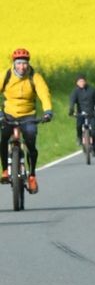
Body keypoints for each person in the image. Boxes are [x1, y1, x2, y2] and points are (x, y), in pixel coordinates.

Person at [1, 48, 54, 193]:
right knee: (3, 138)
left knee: (30, 140)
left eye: (24, 63)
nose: (22, 67)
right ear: (14, 64)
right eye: (19, 63)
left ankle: (32, 175)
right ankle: (5, 170)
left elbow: (44, 93)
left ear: (28, 64)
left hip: (28, 114)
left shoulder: (34, 77)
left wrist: (48, 111)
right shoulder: (6, 75)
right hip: (8, 113)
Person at [68, 74, 95, 157]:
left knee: (94, 132)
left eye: (83, 81)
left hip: (91, 113)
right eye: (80, 81)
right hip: (81, 114)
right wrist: (71, 110)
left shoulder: (92, 90)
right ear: (77, 83)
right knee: (78, 126)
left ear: (85, 81)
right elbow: (72, 101)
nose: (82, 83)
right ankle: (79, 137)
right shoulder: (75, 92)